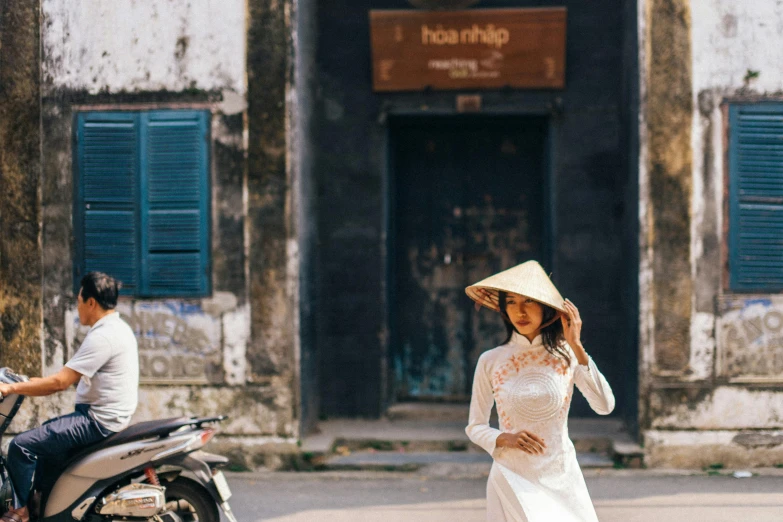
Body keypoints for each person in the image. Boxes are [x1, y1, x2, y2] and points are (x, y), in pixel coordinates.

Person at [465, 260, 615, 522]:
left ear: (546, 308)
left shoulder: (568, 356)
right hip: (512, 474)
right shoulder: (491, 360)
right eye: (511, 302)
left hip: (561, 475)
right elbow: (475, 426)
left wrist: (577, 347)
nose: (519, 311)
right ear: (503, 310)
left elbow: (605, 406)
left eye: (529, 302)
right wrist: (503, 438)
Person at [0, 272, 139, 522]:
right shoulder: (118, 328)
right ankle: (41, 507)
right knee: (46, 443)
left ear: (91, 303)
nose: (77, 308)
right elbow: (62, 376)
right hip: (103, 416)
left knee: (21, 446)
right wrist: (26, 382)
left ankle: (19, 512)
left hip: (95, 420)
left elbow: (59, 382)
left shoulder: (103, 336)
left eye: (78, 301)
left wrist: (10, 389)